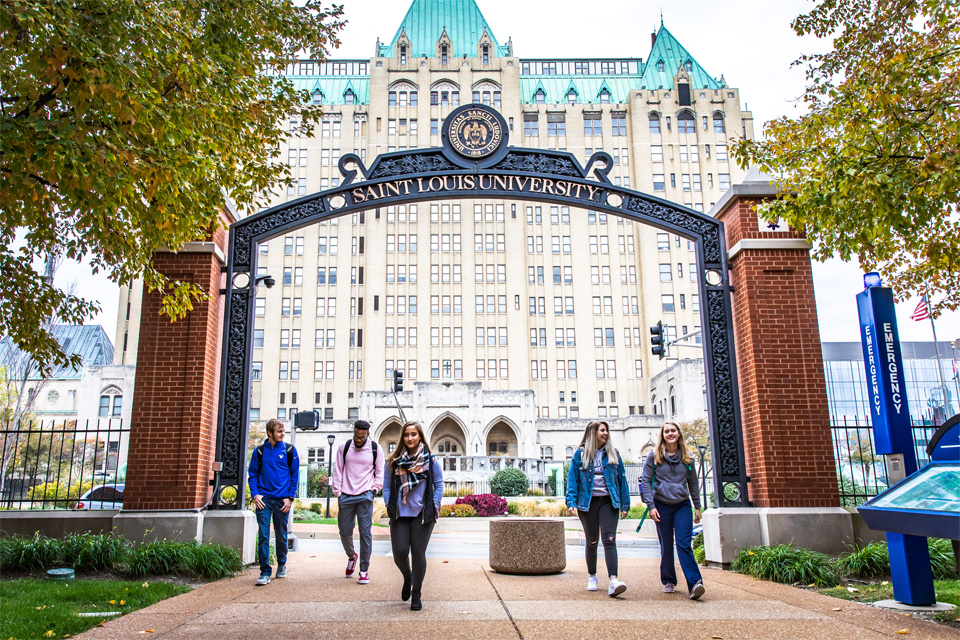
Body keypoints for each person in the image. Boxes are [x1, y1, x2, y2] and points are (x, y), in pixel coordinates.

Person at [565, 420, 632, 597]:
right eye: (602, 430)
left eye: (606, 430)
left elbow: (621, 480)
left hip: (609, 502)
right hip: (588, 503)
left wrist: (625, 504)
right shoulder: (580, 455)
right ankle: (592, 575)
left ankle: (613, 579)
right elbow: (573, 480)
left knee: (609, 539)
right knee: (592, 540)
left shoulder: (613, 454)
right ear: (593, 433)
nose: (606, 433)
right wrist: (571, 501)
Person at [382, 421, 443, 611]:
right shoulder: (393, 461)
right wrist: (388, 504)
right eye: (407, 434)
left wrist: (435, 504)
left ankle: (416, 592)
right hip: (400, 513)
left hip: (423, 514)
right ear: (403, 437)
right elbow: (386, 486)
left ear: (420, 436)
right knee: (400, 553)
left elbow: (439, 485)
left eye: (414, 434)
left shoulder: (430, 461)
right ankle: (407, 576)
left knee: (418, 553)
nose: (410, 438)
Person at [640, 421, 705, 600]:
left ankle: (695, 583)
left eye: (673, 430)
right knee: (666, 545)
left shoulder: (688, 457)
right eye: (667, 431)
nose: (670, 433)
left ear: (678, 434)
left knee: (684, 544)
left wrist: (697, 507)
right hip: (661, 505)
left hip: (682, 505)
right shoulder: (654, 456)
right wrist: (651, 506)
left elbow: (693, 483)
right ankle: (668, 580)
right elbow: (645, 481)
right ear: (663, 435)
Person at [248, 418, 300, 586]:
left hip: (282, 501)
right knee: (263, 535)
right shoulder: (259, 451)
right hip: (264, 500)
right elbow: (253, 475)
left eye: (283, 431)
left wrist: (290, 497)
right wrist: (256, 495)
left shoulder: (290, 450)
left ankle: (282, 564)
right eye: (279, 432)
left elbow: (294, 476)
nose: (282, 434)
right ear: (270, 433)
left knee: (281, 535)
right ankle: (264, 571)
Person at [332, 419, 384, 584]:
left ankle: (363, 570)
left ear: (368, 434)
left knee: (365, 533)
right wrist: (338, 492)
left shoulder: (375, 448)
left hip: (365, 496)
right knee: (345, 532)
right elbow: (338, 469)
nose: (358, 440)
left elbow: (380, 471)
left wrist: (374, 489)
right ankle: (352, 556)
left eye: (362, 437)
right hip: (346, 495)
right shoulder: (344, 447)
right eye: (356, 436)